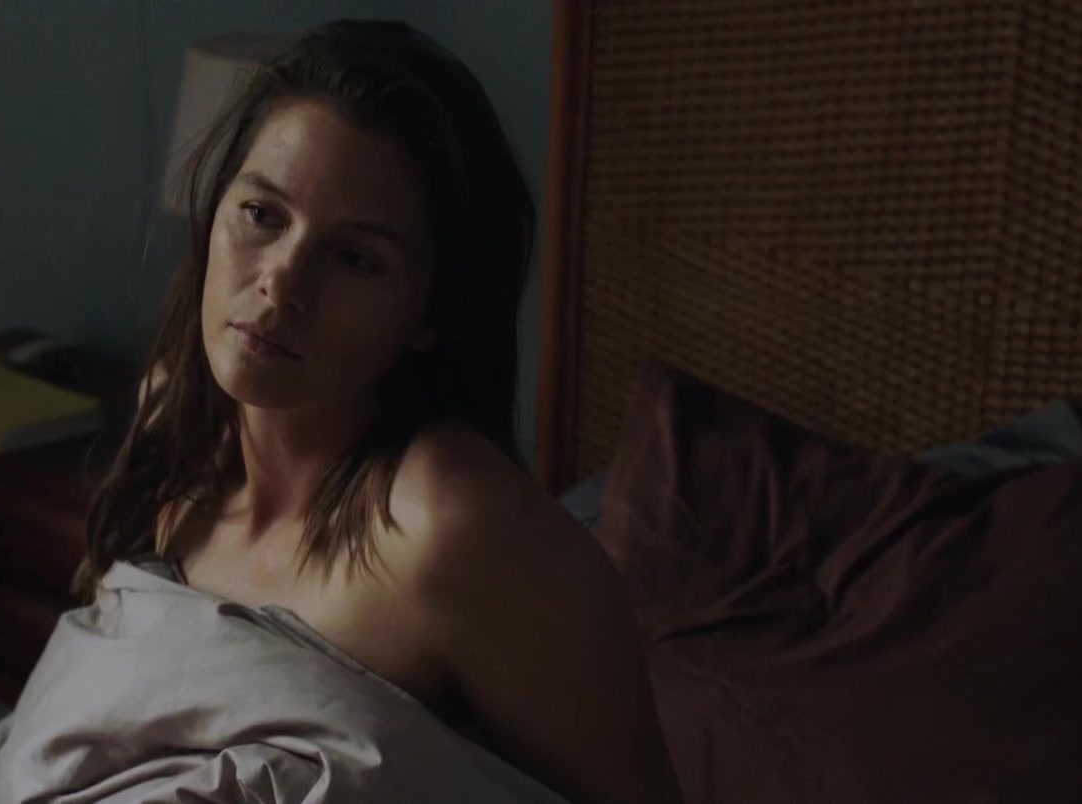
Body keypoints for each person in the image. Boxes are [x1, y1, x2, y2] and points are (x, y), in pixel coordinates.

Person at [78, 19, 686, 804]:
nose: (282, 282)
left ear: (431, 312)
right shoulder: (177, 423)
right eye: (263, 215)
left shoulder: (449, 525)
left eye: (355, 258)